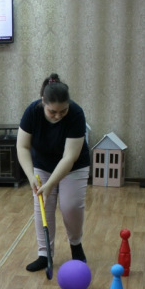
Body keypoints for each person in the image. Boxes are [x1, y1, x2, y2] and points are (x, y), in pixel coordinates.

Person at [17, 73, 91, 271]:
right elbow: (22, 147)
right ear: (43, 102)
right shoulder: (32, 112)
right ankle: (44, 254)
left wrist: (50, 185)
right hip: (42, 163)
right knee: (43, 207)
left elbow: (69, 157)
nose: (58, 116)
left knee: (70, 206)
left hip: (73, 166)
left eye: (62, 111)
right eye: (52, 112)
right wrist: (31, 176)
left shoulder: (76, 114)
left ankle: (76, 245)